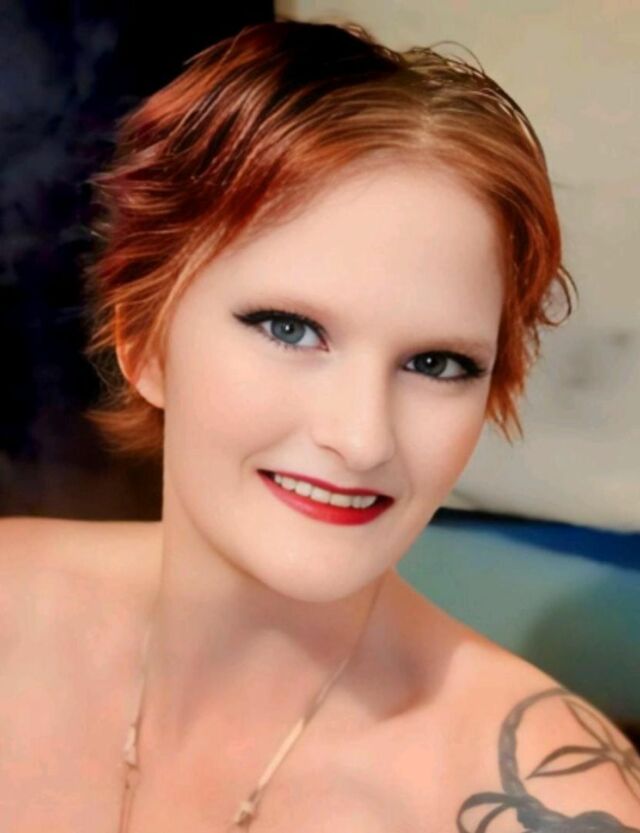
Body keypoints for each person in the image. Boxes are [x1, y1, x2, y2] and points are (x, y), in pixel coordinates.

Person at [1, 17, 638, 833]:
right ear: (144, 342)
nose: (363, 438)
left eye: (436, 363)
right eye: (290, 328)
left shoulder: (552, 798)